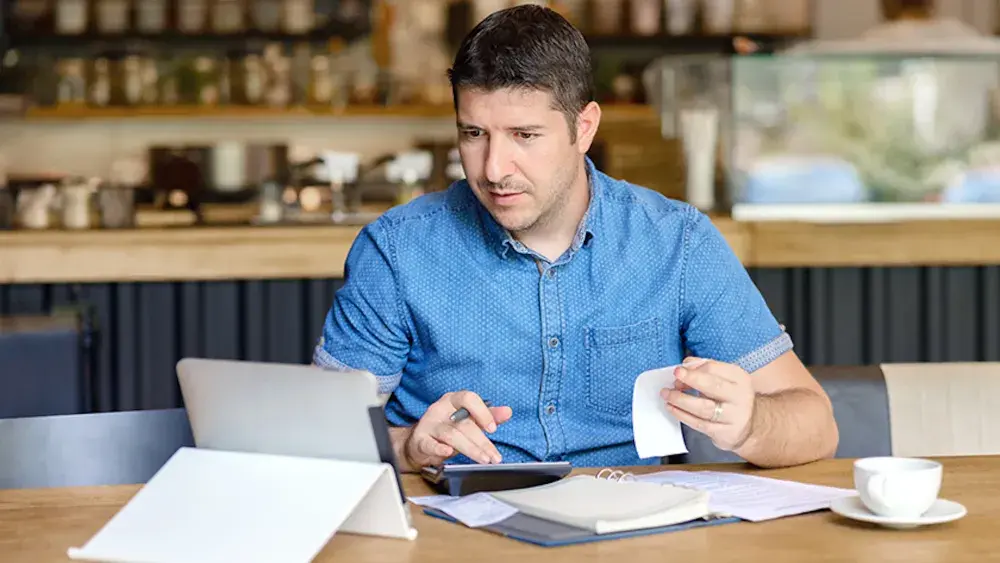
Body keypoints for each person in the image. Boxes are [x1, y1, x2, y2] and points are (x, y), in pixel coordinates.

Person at [314, 5, 838, 472]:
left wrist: (750, 424)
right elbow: (316, 441)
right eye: (474, 134)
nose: (495, 169)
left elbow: (816, 424)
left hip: (632, 534)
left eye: (525, 136)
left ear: (583, 127)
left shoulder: (678, 244)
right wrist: (407, 446)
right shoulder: (398, 251)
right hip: (453, 536)